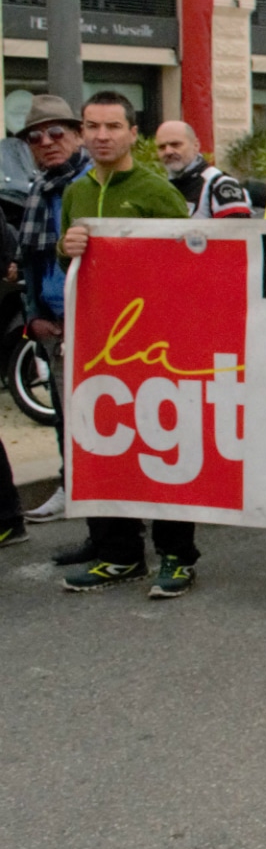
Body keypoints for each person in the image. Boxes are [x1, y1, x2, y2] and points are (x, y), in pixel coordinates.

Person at [54, 92, 195, 594]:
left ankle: (177, 556)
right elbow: (69, 267)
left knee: (162, 450)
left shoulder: (158, 191)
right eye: (92, 126)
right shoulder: (75, 192)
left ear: (134, 133)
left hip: (153, 346)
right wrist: (63, 248)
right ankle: (118, 554)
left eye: (112, 126)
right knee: (103, 449)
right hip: (96, 344)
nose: (101, 136)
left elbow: (191, 264)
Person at [16, 96, 89, 527]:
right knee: (64, 415)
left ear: (77, 135)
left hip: (97, 324)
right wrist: (33, 318)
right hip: (53, 323)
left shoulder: (88, 184)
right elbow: (30, 263)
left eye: (57, 132)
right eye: (35, 136)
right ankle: (72, 486)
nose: (46, 142)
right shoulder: (38, 190)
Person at [155, 121, 251, 219]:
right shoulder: (160, 187)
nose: (168, 151)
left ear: (195, 145)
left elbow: (237, 232)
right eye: (161, 147)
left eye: (175, 144)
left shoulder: (219, 185)